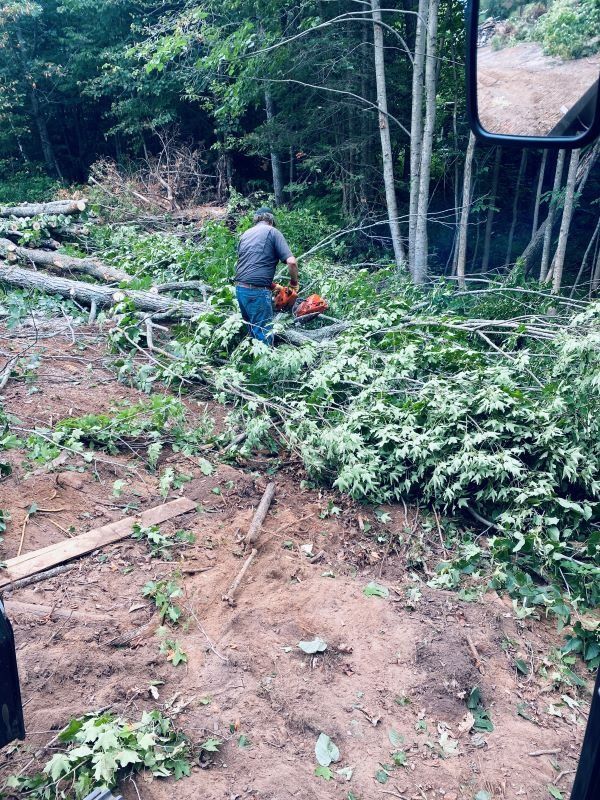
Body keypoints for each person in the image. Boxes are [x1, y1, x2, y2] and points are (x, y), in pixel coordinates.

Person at [234, 207, 298, 346]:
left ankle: (251, 362)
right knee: (264, 334)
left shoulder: (245, 234)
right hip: (256, 292)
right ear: (271, 220)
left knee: (252, 332)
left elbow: (249, 266)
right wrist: (293, 284)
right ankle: (265, 365)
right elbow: (292, 262)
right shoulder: (273, 232)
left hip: (240, 289)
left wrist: (273, 286)